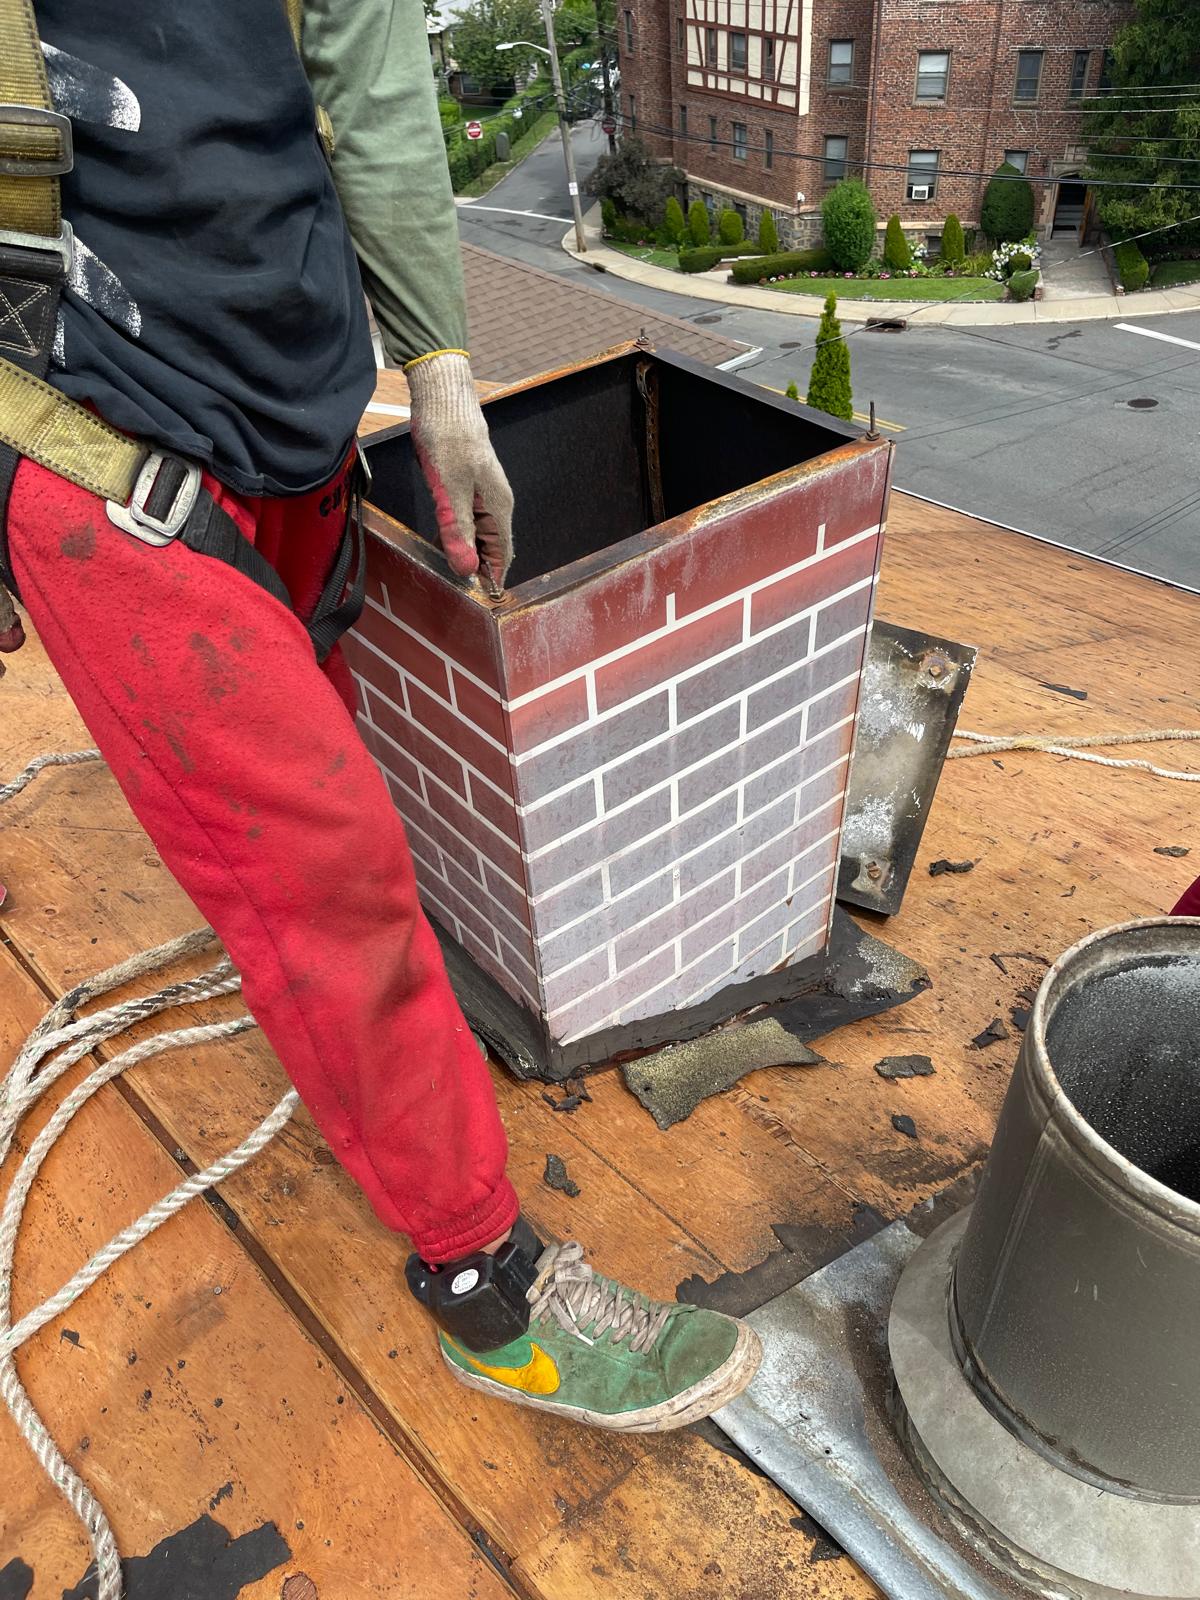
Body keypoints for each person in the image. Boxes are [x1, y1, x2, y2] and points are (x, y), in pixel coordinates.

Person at [0, 0, 761, 1429]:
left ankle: (396, 1074)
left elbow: (368, 70)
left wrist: (442, 378)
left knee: (335, 819)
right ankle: (486, 1282)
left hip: (291, 413)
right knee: (324, 880)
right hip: (91, 435)